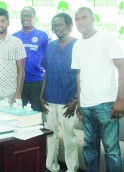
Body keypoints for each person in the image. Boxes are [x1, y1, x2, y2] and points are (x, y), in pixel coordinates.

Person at [72, 7, 124, 172]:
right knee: (90, 149)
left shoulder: (108, 38)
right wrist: (80, 102)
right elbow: (79, 74)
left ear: (93, 19)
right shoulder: (77, 45)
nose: (81, 22)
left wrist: (121, 100)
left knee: (111, 151)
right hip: (86, 106)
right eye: (78, 19)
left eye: (84, 17)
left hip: (107, 104)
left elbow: (121, 67)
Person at [40, 13, 79, 172]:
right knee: (50, 136)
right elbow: (46, 72)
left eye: (60, 24)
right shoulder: (51, 46)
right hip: (50, 99)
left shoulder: (78, 45)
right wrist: (41, 95)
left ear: (69, 26)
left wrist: (76, 99)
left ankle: (72, 169)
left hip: (68, 101)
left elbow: (81, 75)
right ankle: (51, 166)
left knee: (69, 137)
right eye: (54, 25)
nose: (57, 28)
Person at [13, 6, 49, 111]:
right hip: (19, 83)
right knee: (19, 114)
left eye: (29, 15)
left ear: (34, 17)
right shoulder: (14, 36)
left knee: (37, 114)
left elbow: (47, 60)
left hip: (37, 82)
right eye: (23, 15)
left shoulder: (43, 35)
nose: (25, 18)